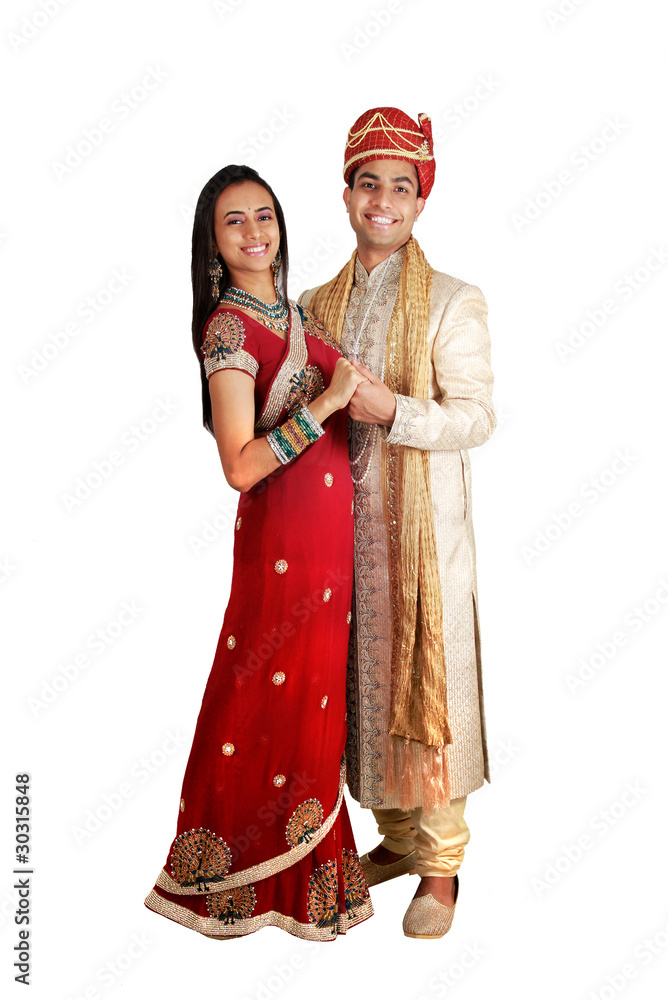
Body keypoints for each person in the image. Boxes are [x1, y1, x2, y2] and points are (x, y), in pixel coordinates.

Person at [144, 164, 373, 941]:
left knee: (313, 698)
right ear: (212, 243)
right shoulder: (231, 330)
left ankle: (305, 880)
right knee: (261, 692)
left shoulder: (296, 315)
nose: (255, 233)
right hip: (283, 544)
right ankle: (224, 876)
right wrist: (331, 400)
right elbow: (239, 465)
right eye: (234, 221)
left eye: (265, 216)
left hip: (329, 545)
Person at [299, 107, 496, 939]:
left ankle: (442, 869)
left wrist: (394, 409)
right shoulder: (312, 304)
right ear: (345, 192)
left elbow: (478, 417)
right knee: (358, 691)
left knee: (429, 692)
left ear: (423, 200)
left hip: (423, 542)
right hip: (339, 535)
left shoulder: (454, 299)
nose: (383, 199)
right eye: (368, 182)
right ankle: (396, 838)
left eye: (401, 186)